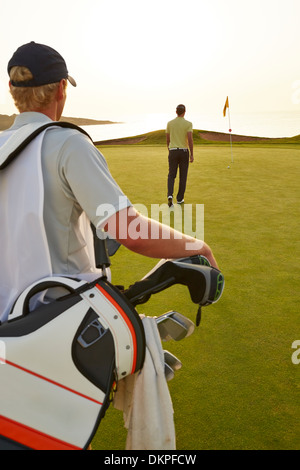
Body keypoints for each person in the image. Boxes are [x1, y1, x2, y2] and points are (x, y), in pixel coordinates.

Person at [0, 42, 218, 324]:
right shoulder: (67, 143)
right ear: (61, 88)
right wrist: (197, 247)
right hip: (63, 321)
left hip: (10, 326)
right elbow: (130, 231)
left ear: (12, 88)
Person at [166, 104, 193, 207]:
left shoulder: (170, 123)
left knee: (171, 175)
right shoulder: (188, 124)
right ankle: (180, 198)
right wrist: (192, 154)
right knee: (183, 176)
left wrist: (170, 149)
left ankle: (169, 195)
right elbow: (190, 139)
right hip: (184, 152)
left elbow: (168, 139)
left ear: (176, 112)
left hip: (173, 151)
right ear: (184, 112)